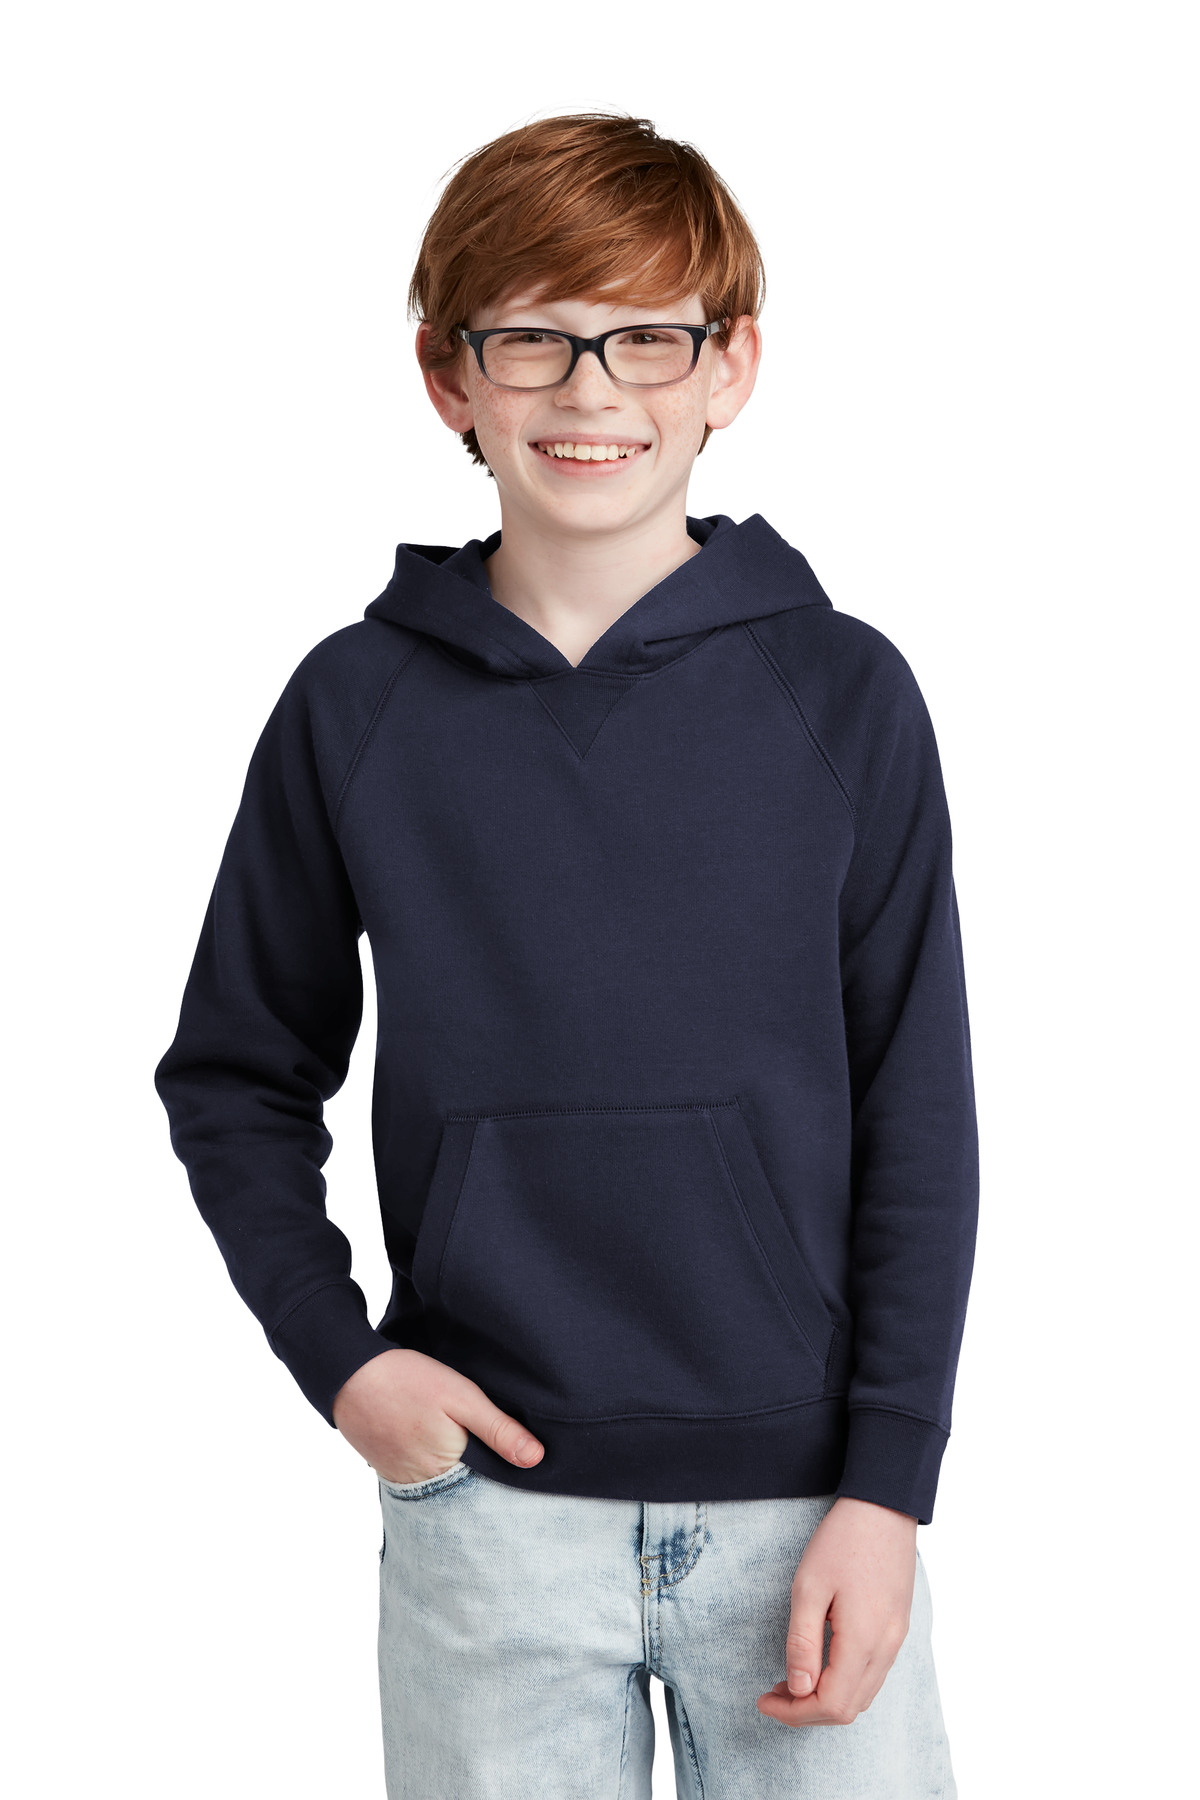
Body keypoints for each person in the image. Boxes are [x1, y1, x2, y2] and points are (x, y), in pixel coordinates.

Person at [155, 111, 978, 1799]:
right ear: (448, 378)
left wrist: (890, 1485)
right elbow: (236, 1075)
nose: (590, 389)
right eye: (532, 338)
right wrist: (345, 1365)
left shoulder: (844, 696)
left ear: (729, 366)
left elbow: (920, 1110)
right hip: (489, 1515)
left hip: (804, 1514)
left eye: (644, 337)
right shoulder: (354, 706)